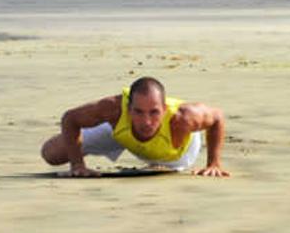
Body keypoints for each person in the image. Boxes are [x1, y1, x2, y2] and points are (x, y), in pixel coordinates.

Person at [40, 76, 230, 177]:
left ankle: (158, 163)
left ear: (164, 110)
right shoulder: (113, 109)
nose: (146, 122)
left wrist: (214, 164)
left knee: (163, 169)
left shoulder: (184, 118)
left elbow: (218, 117)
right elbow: (70, 118)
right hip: (124, 135)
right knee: (51, 153)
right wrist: (77, 165)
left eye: (154, 112)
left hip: (175, 153)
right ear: (128, 108)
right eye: (138, 112)